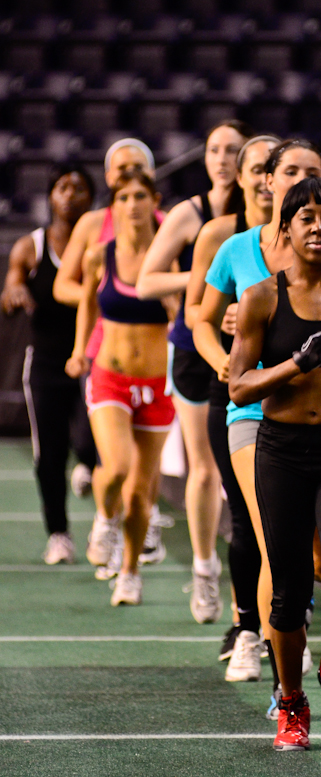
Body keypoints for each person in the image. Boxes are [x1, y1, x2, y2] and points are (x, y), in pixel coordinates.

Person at [193, 139, 321, 691]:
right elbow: (203, 321)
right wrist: (236, 359)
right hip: (258, 418)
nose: (318, 225)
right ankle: (267, 655)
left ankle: (318, 653)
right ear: (270, 183)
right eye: (291, 172)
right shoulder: (242, 258)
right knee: (269, 545)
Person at [229, 176, 321, 751]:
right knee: (287, 594)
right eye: (305, 217)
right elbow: (239, 386)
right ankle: (291, 700)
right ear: (284, 229)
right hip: (282, 452)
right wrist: (297, 363)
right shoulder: (262, 296)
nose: (318, 226)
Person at [136, 120, 253, 625]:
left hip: (252, 346)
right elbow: (146, 281)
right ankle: (205, 568)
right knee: (203, 466)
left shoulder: (267, 214)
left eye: (232, 151)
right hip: (194, 345)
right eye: (214, 149)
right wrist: (207, 276)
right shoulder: (192, 214)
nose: (222, 159)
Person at [182, 134, 280, 664]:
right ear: (239, 177)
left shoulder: (315, 238)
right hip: (236, 391)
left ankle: (284, 625)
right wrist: (221, 354)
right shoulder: (222, 235)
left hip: (295, 397)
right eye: (257, 168)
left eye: (274, 168)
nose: (266, 179)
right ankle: (247, 629)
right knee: (245, 515)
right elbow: (196, 313)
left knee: (288, 528)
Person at [53, 138, 169, 568]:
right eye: (120, 172)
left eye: (137, 169)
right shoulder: (94, 229)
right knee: (113, 459)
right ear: (109, 179)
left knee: (144, 471)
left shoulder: (168, 231)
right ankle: (106, 518)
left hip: (155, 363)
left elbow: (186, 295)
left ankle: (140, 531)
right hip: (105, 351)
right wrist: (110, 299)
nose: (128, 181)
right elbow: (68, 287)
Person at [1, 165, 96, 564]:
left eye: (79, 188)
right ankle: (59, 535)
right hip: (45, 362)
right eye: (62, 187)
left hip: (92, 359)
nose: (69, 194)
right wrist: (15, 291)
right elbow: (11, 287)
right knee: (50, 454)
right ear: (50, 196)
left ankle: (91, 477)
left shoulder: (99, 246)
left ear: (92, 199)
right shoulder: (32, 246)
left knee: (95, 444)